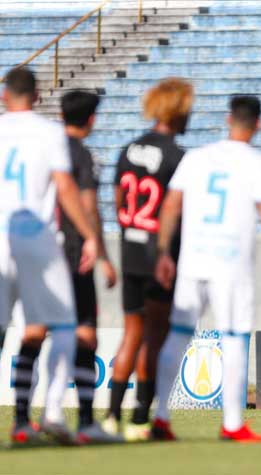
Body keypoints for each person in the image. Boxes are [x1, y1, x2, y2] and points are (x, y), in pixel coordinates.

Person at [151, 95, 261, 442]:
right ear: (258, 124)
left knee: (177, 334)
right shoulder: (257, 162)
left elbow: (171, 206)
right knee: (233, 338)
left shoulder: (196, 157)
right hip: (230, 263)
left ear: (227, 118)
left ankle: (160, 416)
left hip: (193, 259)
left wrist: (163, 252)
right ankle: (232, 423)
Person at [0, 67, 98, 444]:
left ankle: (24, 421)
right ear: (38, 96)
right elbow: (65, 188)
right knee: (62, 324)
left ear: (5, 96)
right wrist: (90, 236)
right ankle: (53, 413)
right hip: (37, 237)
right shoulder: (49, 133)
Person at [103, 78, 193, 441]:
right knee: (154, 337)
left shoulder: (127, 149)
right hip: (159, 255)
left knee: (131, 334)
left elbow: (118, 202)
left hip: (130, 248)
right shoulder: (176, 156)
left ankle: (110, 416)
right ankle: (140, 419)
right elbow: (175, 209)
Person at [56, 90, 121, 443]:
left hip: (37, 251)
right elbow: (89, 206)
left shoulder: (45, 150)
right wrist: (103, 254)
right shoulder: (82, 156)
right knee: (85, 334)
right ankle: (84, 420)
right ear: (92, 119)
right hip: (74, 253)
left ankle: (31, 416)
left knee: (38, 332)